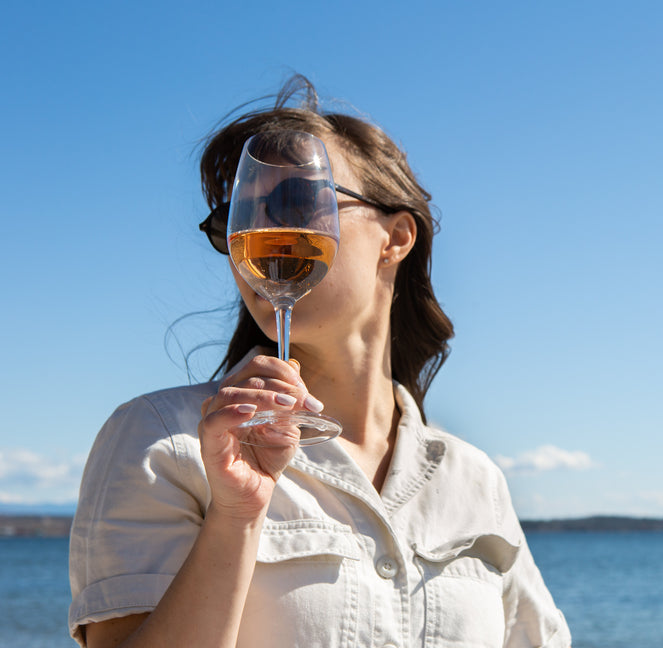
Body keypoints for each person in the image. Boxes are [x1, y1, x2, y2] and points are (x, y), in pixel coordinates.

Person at [68, 76, 571, 648]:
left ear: (396, 237)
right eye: (235, 218)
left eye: (295, 204)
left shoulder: (474, 480)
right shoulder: (162, 441)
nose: (258, 233)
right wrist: (236, 519)